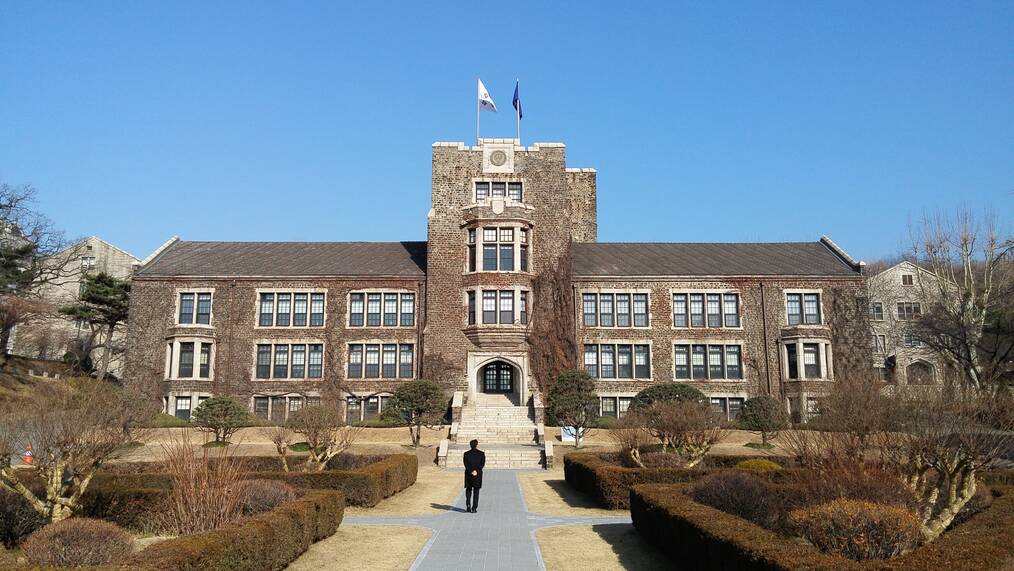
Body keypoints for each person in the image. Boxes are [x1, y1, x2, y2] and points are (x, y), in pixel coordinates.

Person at [462, 438, 485, 513]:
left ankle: (468, 505)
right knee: (476, 491)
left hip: (469, 474)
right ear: (476, 445)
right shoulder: (481, 454)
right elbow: (482, 464)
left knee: (468, 490)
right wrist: (476, 471)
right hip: (477, 475)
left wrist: (471, 471)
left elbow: (466, 464)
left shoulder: (466, 454)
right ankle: (474, 508)